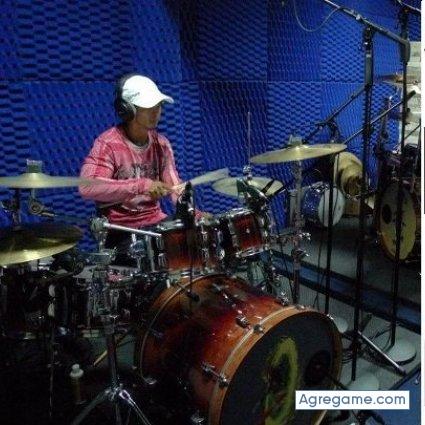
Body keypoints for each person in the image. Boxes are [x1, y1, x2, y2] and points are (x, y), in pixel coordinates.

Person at [79, 73, 193, 253]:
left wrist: (195, 213)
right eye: (148, 107)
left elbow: (174, 188)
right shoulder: (108, 144)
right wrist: (141, 185)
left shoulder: (162, 144)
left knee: (193, 240)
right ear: (128, 109)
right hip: (120, 230)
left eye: (159, 106)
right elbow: (87, 187)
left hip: (155, 224)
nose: (156, 112)